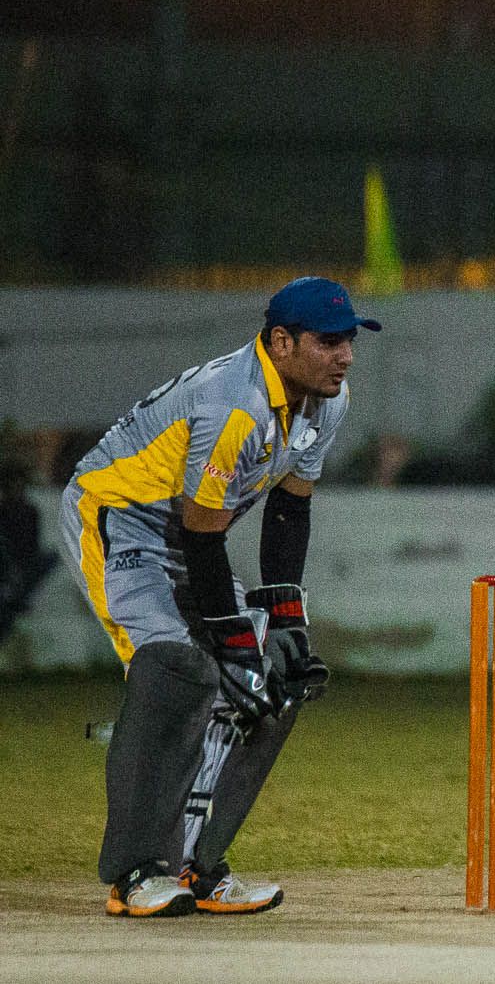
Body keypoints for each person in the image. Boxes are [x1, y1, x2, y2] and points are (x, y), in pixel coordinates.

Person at [60, 277, 377, 917]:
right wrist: (233, 644)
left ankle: (197, 866)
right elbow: (203, 536)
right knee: (178, 672)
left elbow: (288, 511)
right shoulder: (236, 405)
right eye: (328, 342)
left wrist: (284, 624)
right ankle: (136, 873)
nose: (344, 355)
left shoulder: (328, 400)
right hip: (119, 518)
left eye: (349, 340)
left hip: (189, 535)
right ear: (281, 342)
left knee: (271, 681)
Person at [1, 457, 59, 645]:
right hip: (9, 565)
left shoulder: (29, 510)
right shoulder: (6, 511)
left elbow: (33, 545)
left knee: (51, 558)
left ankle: (17, 596)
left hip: (24, 565)